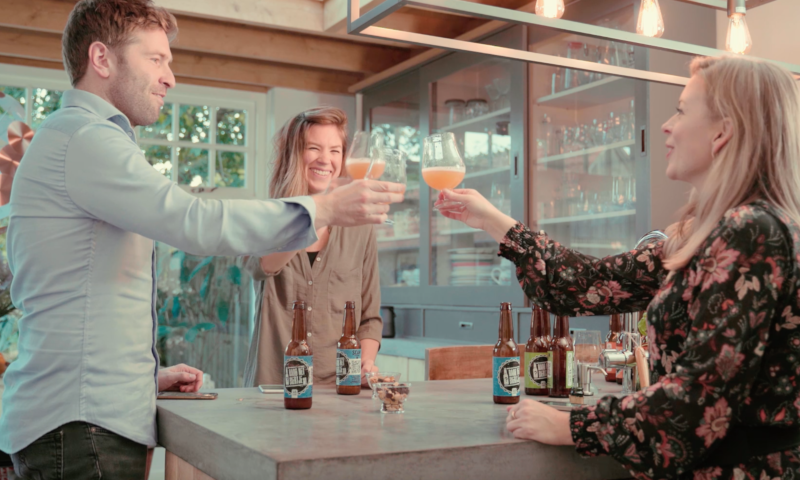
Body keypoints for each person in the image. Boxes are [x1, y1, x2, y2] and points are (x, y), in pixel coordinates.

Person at [0, 0, 404, 478]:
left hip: (86, 416)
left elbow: (83, 296)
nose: (170, 76)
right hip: (81, 424)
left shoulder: (80, 139)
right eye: (156, 59)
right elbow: (194, 222)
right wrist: (326, 207)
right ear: (102, 59)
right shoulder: (87, 138)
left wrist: (142, 378)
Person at [436, 55, 800, 478]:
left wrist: (573, 426)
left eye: (682, 110)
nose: (666, 125)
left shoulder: (751, 230)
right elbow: (590, 284)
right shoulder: (710, 233)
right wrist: (491, 220)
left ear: (723, 130)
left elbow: (697, 401)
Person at [243, 107, 382, 387]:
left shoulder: (361, 229)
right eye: (314, 148)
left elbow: (370, 318)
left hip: (340, 389)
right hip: (273, 387)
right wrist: (319, 213)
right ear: (295, 155)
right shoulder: (266, 216)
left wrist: (365, 364)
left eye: (335, 150)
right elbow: (261, 266)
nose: (325, 160)